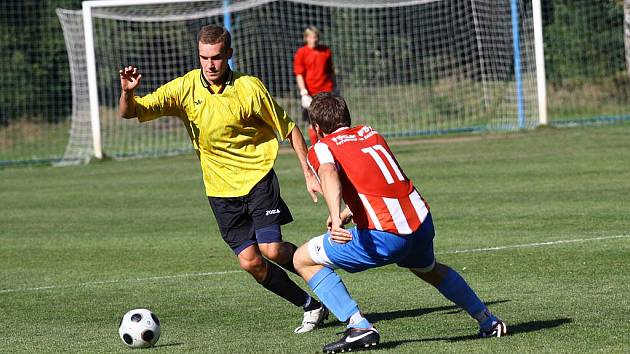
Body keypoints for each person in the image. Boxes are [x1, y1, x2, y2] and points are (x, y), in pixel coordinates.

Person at [118, 25, 328, 334]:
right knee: (252, 263)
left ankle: (327, 281)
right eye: (204, 58)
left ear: (228, 54)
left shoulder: (249, 88)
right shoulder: (184, 89)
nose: (210, 65)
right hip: (220, 191)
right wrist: (127, 91)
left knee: (271, 250)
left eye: (216, 57)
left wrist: (308, 172)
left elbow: (290, 129)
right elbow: (130, 112)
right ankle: (311, 306)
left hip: (257, 178)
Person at [293, 93, 507, 353]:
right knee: (428, 269)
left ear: (316, 128)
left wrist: (336, 216)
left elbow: (328, 173)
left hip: (386, 233)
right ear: (347, 118)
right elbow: (379, 179)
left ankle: (358, 325)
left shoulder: (322, 147)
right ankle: (488, 320)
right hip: (421, 222)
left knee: (302, 258)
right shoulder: (371, 134)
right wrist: (351, 210)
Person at [293, 26, 335, 145]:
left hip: (326, 91)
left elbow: (330, 72)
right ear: (306, 38)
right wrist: (304, 93)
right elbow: (299, 74)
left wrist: (335, 87)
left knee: (329, 121)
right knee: (313, 123)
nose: (314, 39)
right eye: (312, 37)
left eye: (316, 36)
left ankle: (331, 146)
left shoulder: (326, 51)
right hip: (311, 93)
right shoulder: (302, 52)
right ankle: (316, 147)